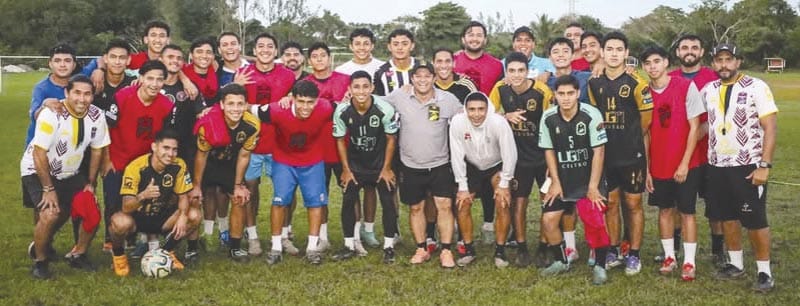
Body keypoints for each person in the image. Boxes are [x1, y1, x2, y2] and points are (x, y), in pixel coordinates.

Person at [701, 43, 777, 292]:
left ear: (738, 61)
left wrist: (764, 165)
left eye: (728, 59)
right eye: (719, 60)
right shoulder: (708, 89)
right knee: (727, 216)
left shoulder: (757, 86)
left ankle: (764, 272)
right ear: (713, 63)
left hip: (747, 164)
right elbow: (707, 124)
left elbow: (770, 127)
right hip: (717, 165)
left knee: (755, 219)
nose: (724, 64)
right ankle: (736, 263)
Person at [22, 75, 108, 279]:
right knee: (50, 214)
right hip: (37, 169)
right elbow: (39, 153)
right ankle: (40, 262)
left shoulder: (97, 115)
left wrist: (91, 183)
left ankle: (78, 254)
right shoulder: (52, 114)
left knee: (91, 210)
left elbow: (97, 150)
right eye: (77, 93)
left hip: (70, 172)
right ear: (66, 93)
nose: (82, 99)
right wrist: (48, 189)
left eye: (87, 94)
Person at [586, 32, 652, 275]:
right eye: (610, 49)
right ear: (602, 52)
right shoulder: (594, 82)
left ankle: (634, 253)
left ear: (626, 53)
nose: (614, 54)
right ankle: (613, 249)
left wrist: (629, 138)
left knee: (633, 203)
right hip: (606, 155)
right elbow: (595, 116)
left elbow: (646, 120)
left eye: (619, 49)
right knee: (611, 203)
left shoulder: (637, 83)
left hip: (632, 155)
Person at [384, 63, 462, 268]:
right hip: (410, 164)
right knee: (416, 207)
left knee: (444, 205)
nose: (422, 80)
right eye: (418, 76)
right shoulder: (400, 96)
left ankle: (446, 250)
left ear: (434, 78)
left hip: (440, 163)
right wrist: (349, 99)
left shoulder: (447, 99)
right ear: (412, 79)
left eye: (427, 76)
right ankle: (421, 248)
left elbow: (468, 115)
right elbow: (376, 103)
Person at [640, 45, 704, 281]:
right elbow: (645, 134)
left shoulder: (685, 86)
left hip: (686, 164)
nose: (652, 67)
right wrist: (647, 169)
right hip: (659, 165)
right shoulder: (644, 93)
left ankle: (689, 261)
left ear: (666, 62)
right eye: (647, 63)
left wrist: (684, 163)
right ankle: (669, 257)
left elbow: (695, 127)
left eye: (657, 61)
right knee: (665, 210)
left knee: (687, 212)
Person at [252, 81, 334, 266]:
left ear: (317, 101)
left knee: (316, 203)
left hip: (312, 161)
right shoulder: (277, 110)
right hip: (284, 161)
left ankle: (312, 248)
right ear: (293, 99)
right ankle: (276, 247)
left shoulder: (325, 108)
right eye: (301, 101)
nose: (305, 107)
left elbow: (348, 106)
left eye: (310, 102)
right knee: (280, 201)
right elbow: (247, 108)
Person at [539, 74, 610, 285]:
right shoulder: (548, 117)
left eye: (570, 93)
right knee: (548, 220)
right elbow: (549, 151)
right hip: (563, 178)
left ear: (578, 93)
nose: (566, 98)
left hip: (588, 178)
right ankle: (561, 261)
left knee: (595, 221)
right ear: (555, 95)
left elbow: (599, 152)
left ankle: (600, 265)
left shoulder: (591, 114)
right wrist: (555, 181)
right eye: (561, 94)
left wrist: (593, 187)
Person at [104, 60, 175, 257]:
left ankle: (143, 241)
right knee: (115, 205)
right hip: (119, 161)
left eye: (159, 79)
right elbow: (105, 129)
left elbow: (164, 138)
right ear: (141, 78)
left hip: (145, 165)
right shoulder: (122, 97)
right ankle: (113, 243)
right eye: (150, 78)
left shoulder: (167, 105)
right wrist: (106, 160)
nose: (154, 83)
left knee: (145, 203)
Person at [489, 52, 553, 267]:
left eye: (521, 70)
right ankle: (522, 247)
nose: (516, 75)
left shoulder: (541, 90)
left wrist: (552, 161)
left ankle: (544, 246)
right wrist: (505, 116)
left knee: (547, 202)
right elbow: (487, 114)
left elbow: (552, 121)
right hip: (516, 158)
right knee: (519, 203)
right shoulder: (500, 88)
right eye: (512, 71)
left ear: (528, 71)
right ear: (506, 72)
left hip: (542, 156)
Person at [109, 129, 201, 276]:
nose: (170, 154)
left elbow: (183, 197)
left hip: (163, 217)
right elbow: (126, 207)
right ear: (154, 147)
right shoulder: (135, 167)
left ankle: (166, 253)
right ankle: (119, 256)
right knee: (120, 222)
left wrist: (183, 216)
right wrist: (143, 195)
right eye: (166, 148)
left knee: (194, 215)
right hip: (137, 218)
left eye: (174, 149)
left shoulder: (179, 165)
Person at [666, 33, 723, 267]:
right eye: (684, 47)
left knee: (715, 205)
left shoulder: (713, 78)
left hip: (710, 154)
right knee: (679, 204)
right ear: (677, 52)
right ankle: (675, 248)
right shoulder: (669, 78)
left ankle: (718, 251)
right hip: (679, 155)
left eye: (694, 47)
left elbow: (720, 113)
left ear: (701, 52)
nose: (689, 51)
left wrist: (700, 131)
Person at [331, 71, 399, 263]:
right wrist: (346, 170)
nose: (361, 91)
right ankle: (349, 245)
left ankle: (389, 247)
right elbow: (340, 141)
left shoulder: (384, 108)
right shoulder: (342, 110)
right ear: (350, 89)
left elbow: (391, 138)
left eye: (365, 86)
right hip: (356, 164)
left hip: (379, 163)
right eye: (356, 87)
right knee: (348, 200)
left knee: (388, 201)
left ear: (372, 88)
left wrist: (386, 168)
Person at [239, 33, 297, 256]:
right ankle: (252, 236)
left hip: (279, 144)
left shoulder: (287, 75)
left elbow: (298, 99)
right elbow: (234, 102)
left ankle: (284, 235)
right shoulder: (244, 73)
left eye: (270, 46)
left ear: (276, 51)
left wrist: (290, 96)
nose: (265, 49)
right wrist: (236, 85)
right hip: (251, 144)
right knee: (250, 190)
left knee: (285, 191)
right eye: (260, 46)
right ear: (254, 51)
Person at [190, 84, 259, 262]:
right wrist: (196, 185)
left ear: (246, 105)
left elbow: (244, 156)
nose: (235, 109)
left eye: (240, 104)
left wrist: (238, 185)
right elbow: (201, 155)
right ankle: (192, 248)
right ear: (222, 104)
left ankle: (235, 248)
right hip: (207, 163)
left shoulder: (252, 125)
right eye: (230, 104)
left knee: (240, 198)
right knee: (194, 198)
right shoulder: (209, 123)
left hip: (229, 164)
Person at [449, 92, 517, 268]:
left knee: (502, 202)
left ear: (488, 109)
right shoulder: (457, 122)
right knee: (462, 203)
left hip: (496, 165)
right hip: (471, 165)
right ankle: (469, 249)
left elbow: (510, 153)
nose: (476, 114)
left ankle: (500, 251)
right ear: (466, 110)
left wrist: (504, 183)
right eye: (472, 110)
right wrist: (462, 185)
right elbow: (456, 154)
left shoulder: (498, 122)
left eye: (481, 109)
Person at [303, 42, 352, 252]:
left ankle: (353, 237)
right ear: (309, 61)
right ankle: (322, 237)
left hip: (344, 146)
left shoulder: (346, 80)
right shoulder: (305, 84)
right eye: (315, 56)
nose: (319, 59)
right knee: (319, 195)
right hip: (317, 148)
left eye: (323, 55)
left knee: (350, 192)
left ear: (329, 58)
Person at [92, 39, 135, 252]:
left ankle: (132, 236)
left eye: (122, 58)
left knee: (133, 195)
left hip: (132, 150)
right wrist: (105, 159)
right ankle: (110, 238)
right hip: (106, 152)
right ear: (105, 59)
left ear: (128, 60)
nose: (117, 62)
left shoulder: (134, 83)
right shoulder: (95, 85)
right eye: (113, 57)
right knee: (112, 197)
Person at [26, 44, 94, 146]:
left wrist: (100, 71)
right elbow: (35, 116)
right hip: (42, 144)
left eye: (67, 61)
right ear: (50, 64)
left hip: (69, 145)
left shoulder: (81, 79)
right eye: (57, 61)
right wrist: (44, 105)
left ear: (74, 65)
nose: (62, 65)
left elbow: (100, 60)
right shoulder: (41, 88)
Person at [454, 21, 503, 95]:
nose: (475, 39)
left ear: (485, 40)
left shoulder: (497, 65)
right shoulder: (450, 62)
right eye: (471, 35)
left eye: (479, 35)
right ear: (463, 39)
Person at [373, 29, 419, 96]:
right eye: (395, 44)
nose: (400, 48)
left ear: (412, 46)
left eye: (405, 44)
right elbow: (378, 99)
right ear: (389, 47)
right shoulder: (381, 72)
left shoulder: (423, 68)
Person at [182, 37, 219, 104]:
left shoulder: (219, 74)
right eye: (199, 52)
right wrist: (184, 79)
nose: (204, 56)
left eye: (208, 52)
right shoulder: (181, 74)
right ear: (191, 55)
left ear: (213, 56)